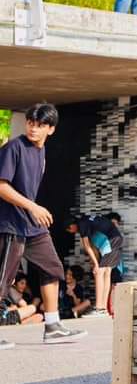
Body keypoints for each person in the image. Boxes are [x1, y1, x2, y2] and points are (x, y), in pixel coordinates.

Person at [0, 102, 87, 347]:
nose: (33, 129)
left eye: (40, 125)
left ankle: (52, 326)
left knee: (52, 269)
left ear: (51, 129)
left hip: (31, 225)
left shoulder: (41, 153)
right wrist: (33, 206)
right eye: (30, 123)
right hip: (10, 224)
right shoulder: (14, 148)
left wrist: (32, 211)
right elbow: (1, 186)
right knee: (2, 281)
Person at [66, 212, 123, 317]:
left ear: (72, 225)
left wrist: (96, 265)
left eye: (70, 230)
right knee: (106, 272)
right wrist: (96, 263)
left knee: (100, 273)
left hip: (110, 241)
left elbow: (87, 247)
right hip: (114, 239)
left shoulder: (82, 224)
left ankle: (99, 308)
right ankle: (103, 308)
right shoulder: (88, 222)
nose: (72, 232)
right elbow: (93, 248)